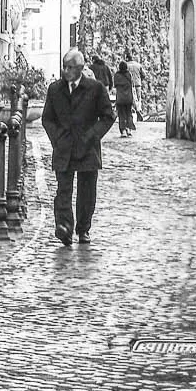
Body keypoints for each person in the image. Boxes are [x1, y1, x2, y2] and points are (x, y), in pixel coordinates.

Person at [41, 47, 116, 246]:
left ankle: (83, 229)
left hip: (87, 147)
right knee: (63, 191)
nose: (65, 71)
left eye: (70, 67)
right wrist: (57, 138)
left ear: (80, 68)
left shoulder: (95, 88)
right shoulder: (55, 89)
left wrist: (93, 135)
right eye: (64, 66)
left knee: (87, 192)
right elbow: (47, 119)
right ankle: (64, 227)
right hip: (64, 146)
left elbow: (108, 116)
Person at [112, 57, 138, 135]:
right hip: (129, 98)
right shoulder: (128, 75)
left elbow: (115, 85)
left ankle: (123, 131)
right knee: (128, 113)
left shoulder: (116, 75)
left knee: (121, 115)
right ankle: (129, 129)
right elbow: (132, 85)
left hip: (120, 98)